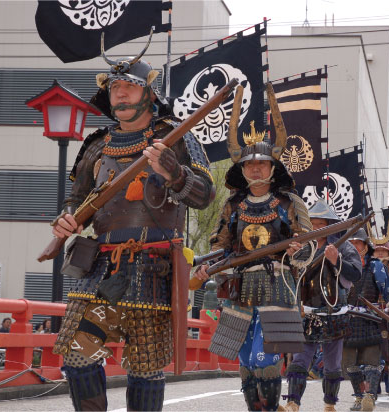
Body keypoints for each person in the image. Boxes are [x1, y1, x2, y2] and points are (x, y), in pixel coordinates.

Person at [51, 38, 215, 411]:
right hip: (102, 270)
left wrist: (173, 171)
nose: (119, 94)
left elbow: (205, 194)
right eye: (114, 88)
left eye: (128, 86)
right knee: (77, 354)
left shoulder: (175, 136)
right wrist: (65, 218)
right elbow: (76, 200)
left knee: (145, 369)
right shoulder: (97, 144)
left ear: (148, 93)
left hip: (154, 269)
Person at [194, 86, 312, 412]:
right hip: (239, 287)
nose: (256, 168)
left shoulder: (291, 203)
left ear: (273, 167)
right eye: (250, 164)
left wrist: (298, 250)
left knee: (266, 355)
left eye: (262, 162)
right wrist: (209, 268)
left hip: (279, 285)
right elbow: (220, 244)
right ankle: (254, 407)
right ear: (242, 170)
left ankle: (271, 408)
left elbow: (309, 245)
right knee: (245, 357)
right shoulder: (232, 205)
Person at [282, 200, 362, 412]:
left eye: (321, 224)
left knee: (332, 363)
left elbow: (356, 273)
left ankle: (329, 404)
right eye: (313, 224)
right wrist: (290, 256)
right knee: (300, 359)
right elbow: (289, 275)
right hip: (307, 311)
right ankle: (292, 402)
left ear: (330, 224)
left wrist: (337, 260)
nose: (316, 228)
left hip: (335, 311)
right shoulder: (304, 246)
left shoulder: (344, 245)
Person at [342, 229, 389, 411]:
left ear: (365, 246)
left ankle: (369, 396)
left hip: (370, 318)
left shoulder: (375, 266)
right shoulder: (341, 265)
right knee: (350, 364)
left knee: (371, 363)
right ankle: (359, 396)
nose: (353, 247)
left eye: (357, 243)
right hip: (347, 319)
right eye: (350, 243)